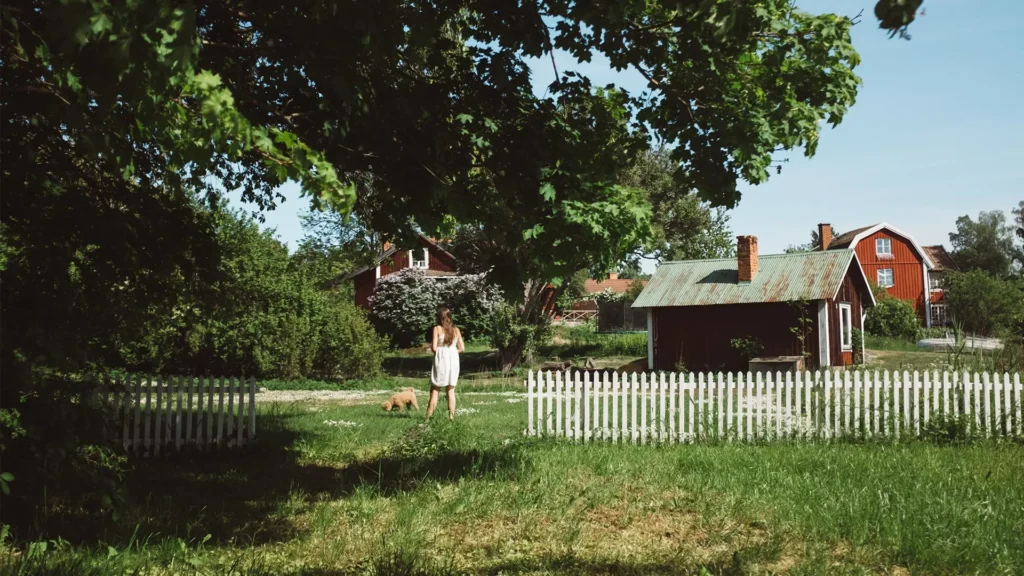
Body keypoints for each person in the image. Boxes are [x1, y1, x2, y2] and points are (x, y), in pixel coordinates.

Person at [426, 306, 464, 421]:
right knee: (451, 390)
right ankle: (451, 418)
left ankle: (427, 419)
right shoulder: (456, 330)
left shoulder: (437, 328)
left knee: (435, 390)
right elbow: (462, 348)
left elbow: (433, 348)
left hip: (441, 360)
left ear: (439, 318)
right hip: (453, 360)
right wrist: (451, 351)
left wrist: (443, 352)